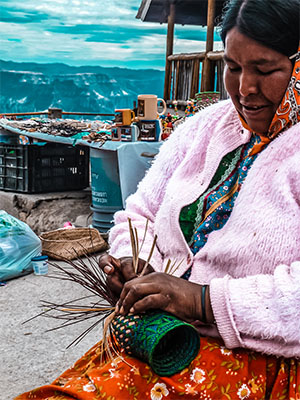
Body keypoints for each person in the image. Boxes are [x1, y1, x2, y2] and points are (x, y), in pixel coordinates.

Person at [16, 0, 300, 398]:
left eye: (265, 70)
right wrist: (137, 260)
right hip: (161, 338)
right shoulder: (204, 128)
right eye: (233, 68)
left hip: (252, 363)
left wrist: (201, 301)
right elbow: (140, 211)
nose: (244, 89)